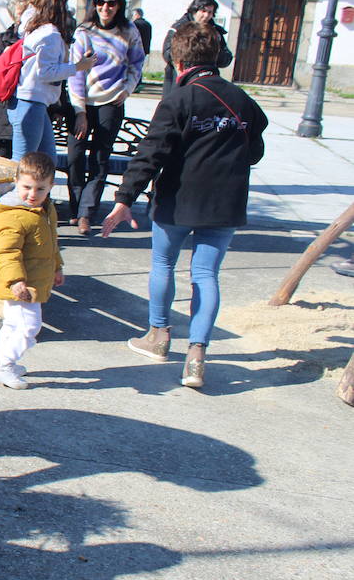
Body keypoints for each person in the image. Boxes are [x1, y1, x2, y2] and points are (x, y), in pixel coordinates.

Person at [101, 22, 267, 389]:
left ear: (178, 60)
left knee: (164, 264)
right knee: (206, 275)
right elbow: (255, 151)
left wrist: (124, 198)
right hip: (224, 202)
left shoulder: (178, 99)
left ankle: (158, 336)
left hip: (178, 199)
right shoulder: (242, 100)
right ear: (215, 57)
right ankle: (196, 356)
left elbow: (151, 153)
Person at [66, 0, 146, 234]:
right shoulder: (84, 32)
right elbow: (75, 73)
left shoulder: (129, 31)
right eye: (100, 2)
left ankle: (87, 214)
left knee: (100, 159)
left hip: (111, 102)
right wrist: (79, 111)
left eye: (111, 3)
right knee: (75, 156)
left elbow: (137, 63)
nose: (105, 8)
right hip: (83, 102)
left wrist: (127, 88)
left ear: (119, 5)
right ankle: (76, 207)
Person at [0, 151, 63, 389]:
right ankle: (4, 365)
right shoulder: (12, 216)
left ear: (51, 186)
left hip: (34, 279)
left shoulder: (43, 210)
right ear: (16, 181)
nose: (32, 195)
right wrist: (15, 281)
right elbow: (5, 253)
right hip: (21, 284)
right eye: (26, 187)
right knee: (30, 326)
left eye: (40, 189)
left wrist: (57, 267)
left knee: (14, 324)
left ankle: (0, 363)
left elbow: (51, 242)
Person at [8, 0, 95, 161]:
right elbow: (46, 72)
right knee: (22, 164)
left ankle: (31, 189)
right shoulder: (50, 34)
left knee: (47, 160)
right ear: (58, 5)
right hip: (31, 102)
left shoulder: (35, 28)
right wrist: (78, 67)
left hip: (32, 102)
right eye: (65, 3)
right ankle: (0, 190)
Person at [0, 0, 31, 160]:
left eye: (29, 12)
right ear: (13, 15)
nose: (25, 18)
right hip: (3, 111)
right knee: (4, 161)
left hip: (29, 111)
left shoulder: (41, 40)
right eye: (21, 13)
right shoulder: (2, 40)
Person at [162, 0, 233, 98]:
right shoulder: (179, 28)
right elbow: (167, 53)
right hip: (178, 78)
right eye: (203, 11)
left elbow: (227, 57)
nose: (206, 15)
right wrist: (190, 58)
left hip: (206, 80)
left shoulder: (215, 32)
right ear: (195, 10)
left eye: (210, 12)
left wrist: (213, 55)